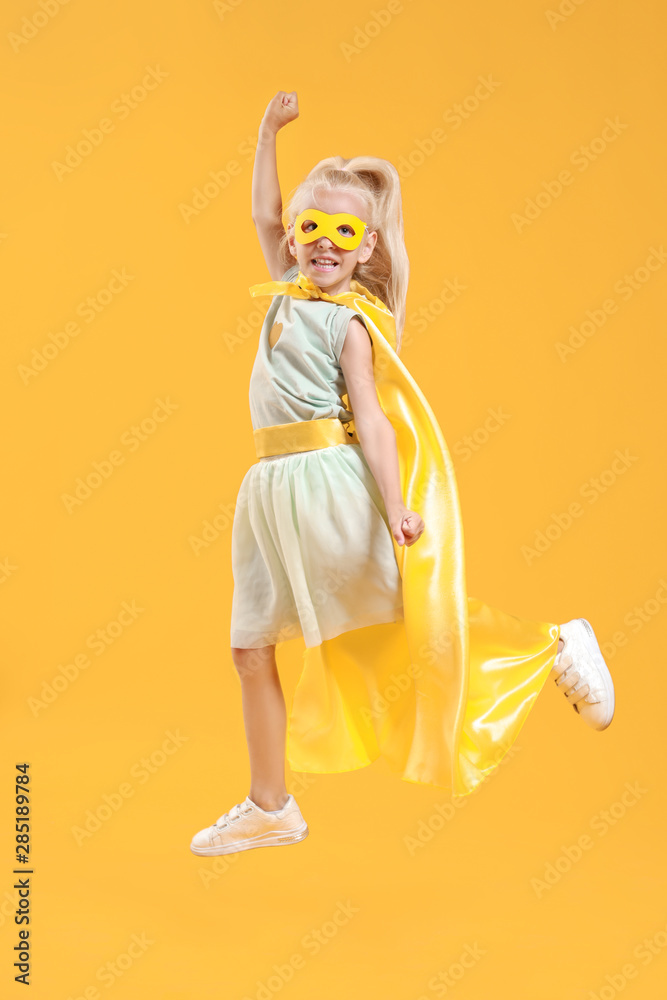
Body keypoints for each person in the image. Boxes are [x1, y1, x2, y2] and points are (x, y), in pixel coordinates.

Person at [190, 91, 615, 858]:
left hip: (326, 489)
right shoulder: (284, 287)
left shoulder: (347, 322)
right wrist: (266, 133)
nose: (323, 243)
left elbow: (377, 421)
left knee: (403, 621)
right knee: (249, 650)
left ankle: (552, 646)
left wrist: (394, 508)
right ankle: (269, 804)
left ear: (366, 247)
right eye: (310, 227)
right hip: (267, 494)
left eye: (342, 232)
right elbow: (260, 213)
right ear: (294, 235)